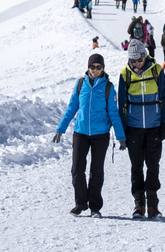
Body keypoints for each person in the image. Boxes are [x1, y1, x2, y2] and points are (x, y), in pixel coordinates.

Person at [54, 53, 126, 216]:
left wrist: (121, 136)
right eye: (92, 67)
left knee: (96, 170)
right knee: (77, 169)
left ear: (103, 69)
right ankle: (80, 203)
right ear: (88, 68)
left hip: (101, 135)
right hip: (80, 133)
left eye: (98, 67)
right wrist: (61, 128)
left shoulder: (108, 87)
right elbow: (72, 108)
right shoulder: (80, 84)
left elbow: (113, 113)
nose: (95, 70)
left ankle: (95, 207)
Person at [118, 40, 165, 219]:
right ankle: (139, 204)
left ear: (145, 56)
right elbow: (122, 104)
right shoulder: (125, 74)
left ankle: (153, 205)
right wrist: (122, 129)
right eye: (133, 60)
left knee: (153, 166)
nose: (136, 63)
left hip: (154, 127)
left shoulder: (156, 71)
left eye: (139, 59)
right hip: (133, 128)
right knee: (136, 166)